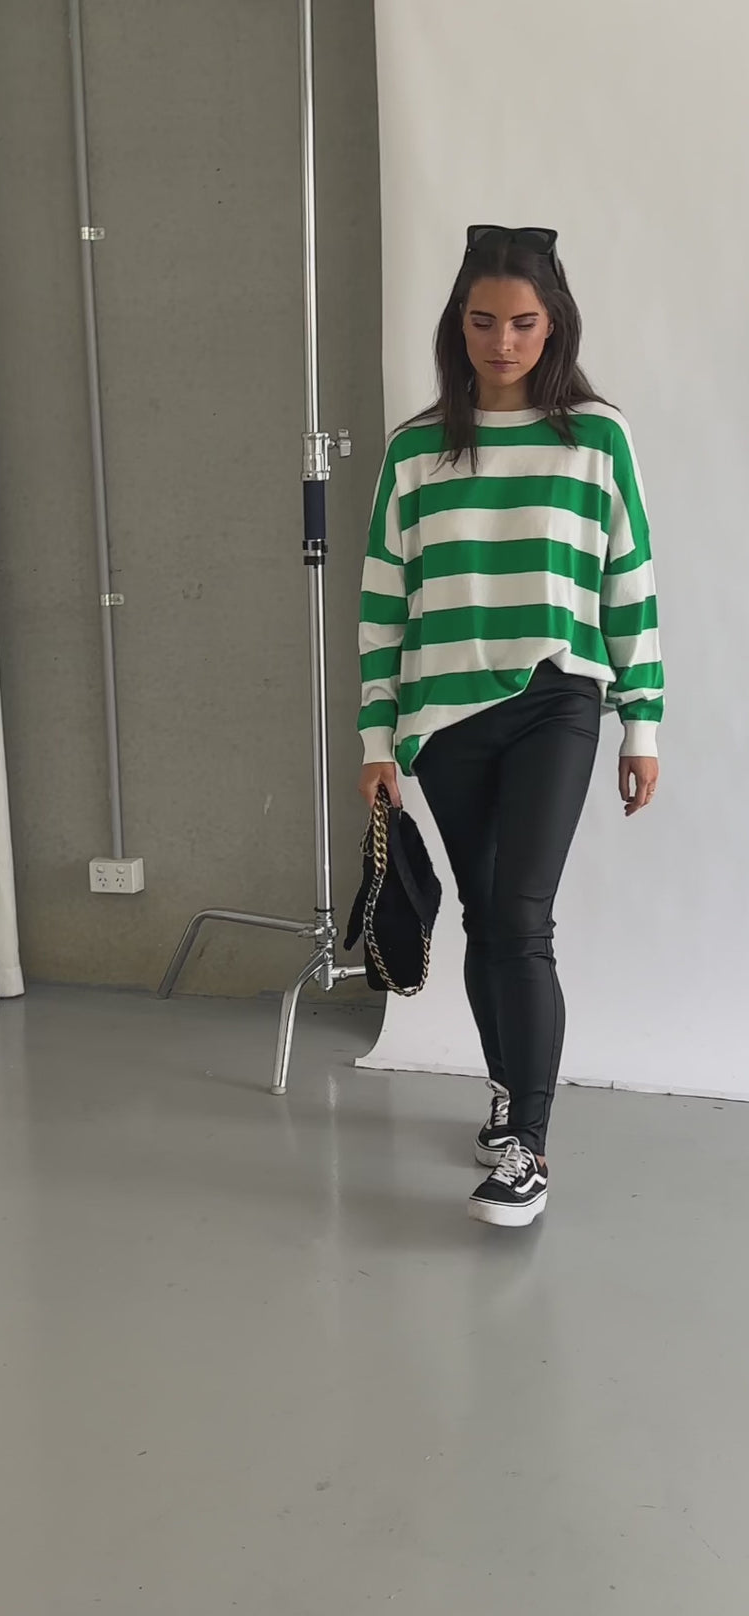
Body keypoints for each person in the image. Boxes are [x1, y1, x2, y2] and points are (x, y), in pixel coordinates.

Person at [356, 224, 663, 1229]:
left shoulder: (596, 437)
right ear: (458, 323)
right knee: (487, 917)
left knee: (522, 916)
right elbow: (382, 603)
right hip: (445, 715)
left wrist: (641, 723)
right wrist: (375, 740)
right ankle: (506, 1093)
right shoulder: (414, 450)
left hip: (555, 698)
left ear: (554, 323)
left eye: (524, 323)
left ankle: (527, 1146)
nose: (503, 342)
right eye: (483, 321)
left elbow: (628, 579)